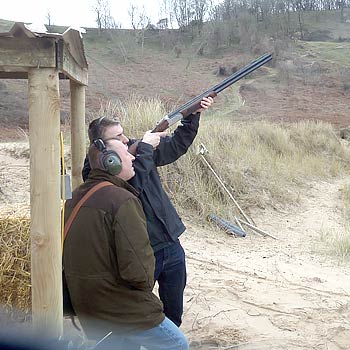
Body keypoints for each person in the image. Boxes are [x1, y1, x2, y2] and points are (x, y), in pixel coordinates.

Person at [82, 97, 213, 328]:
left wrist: (192, 116)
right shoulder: (97, 169)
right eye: (117, 137)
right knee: (137, 313)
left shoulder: (135, 148)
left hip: (169, 241)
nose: (125, 139)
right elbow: (132, 187)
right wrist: (144, 148)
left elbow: (175, 147)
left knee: (173, 310)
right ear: (101, 147)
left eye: (123, 134)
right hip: (141, 250)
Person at [63, 137, 189, 350]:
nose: (132, 157)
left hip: (87, 300)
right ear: (111, 162)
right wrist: (145, 294)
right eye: (126, 154)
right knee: (177, 343)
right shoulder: (122, 200)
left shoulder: (76, 196)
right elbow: (138, 270)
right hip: (117, 304)